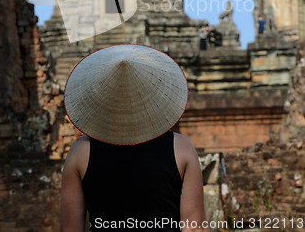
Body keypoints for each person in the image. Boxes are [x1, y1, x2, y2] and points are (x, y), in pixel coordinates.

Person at [60, 44, 209, 232]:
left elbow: (70, 229)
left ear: (100, 97)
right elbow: (195, 228)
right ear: (154, 95)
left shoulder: (80, 152)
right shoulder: (181, 148)